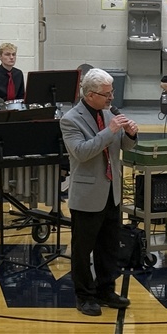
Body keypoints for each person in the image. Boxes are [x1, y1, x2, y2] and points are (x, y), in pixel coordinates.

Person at [60, 68, 139, 317]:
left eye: (111, 92)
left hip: (111, 191)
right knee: (83, 250)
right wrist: (110, 131)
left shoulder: (108, 114)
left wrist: (130, 134)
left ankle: (106, 290)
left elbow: (120, 146)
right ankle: (84, 295)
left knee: (109, 247)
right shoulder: (70, 119)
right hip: (87, 194)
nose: (111, 98)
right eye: (106, 94)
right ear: (90, 94)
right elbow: (82, 152)